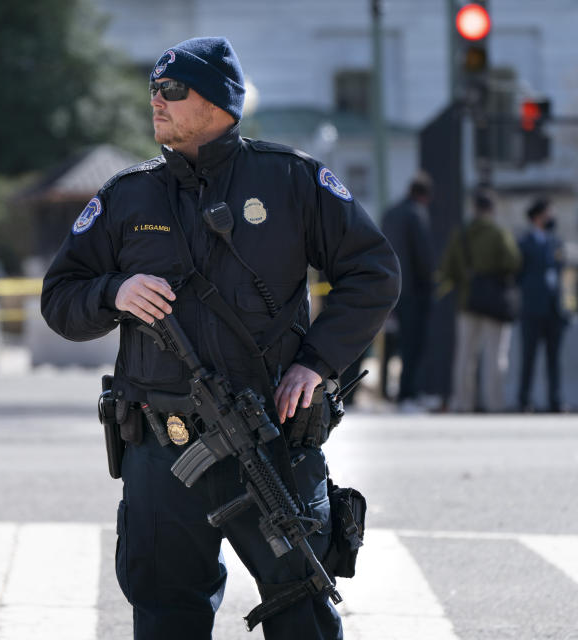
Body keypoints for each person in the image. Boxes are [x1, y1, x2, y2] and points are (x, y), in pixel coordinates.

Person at [41, 37, 400, 640]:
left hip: (272, 438)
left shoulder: (292, 180)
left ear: (220, 103)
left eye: (173, 90)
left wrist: (317, 364)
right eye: (152, 89)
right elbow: (60, 299)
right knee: (165, 615)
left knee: (303, 614)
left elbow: (374, 274)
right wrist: (113, 292)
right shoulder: (127, 196)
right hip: (162, 448)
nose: (156, 101)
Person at [439, 189, 521, 412]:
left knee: (465, 356)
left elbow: (448, 269)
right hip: (495, 302)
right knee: (495, 355)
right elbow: (513, 261)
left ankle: (463, 403)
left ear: (474, 208)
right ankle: (494, 404)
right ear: (492, 209)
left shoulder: (462, 234)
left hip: (468, 301)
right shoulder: (498, 232)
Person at [380, 172, 435, 408]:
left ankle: (387, 391)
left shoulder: (390, 213)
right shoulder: (416, 214)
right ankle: (407, 393)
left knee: (391, 344)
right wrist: (431, 282)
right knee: (413, 344)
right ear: (425, 195)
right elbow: (423, 256)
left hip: (390, 289)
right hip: (414, 291)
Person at [516, 197, 567, 412]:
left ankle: (554, 400)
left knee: (554, 359)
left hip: (554, 308)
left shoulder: (556, 242)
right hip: (532, 308)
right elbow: (518, 273)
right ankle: (524, 400)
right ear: (537, 217)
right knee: (528, 356)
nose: (551, 218)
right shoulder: (524, 242)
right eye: (548, 213)